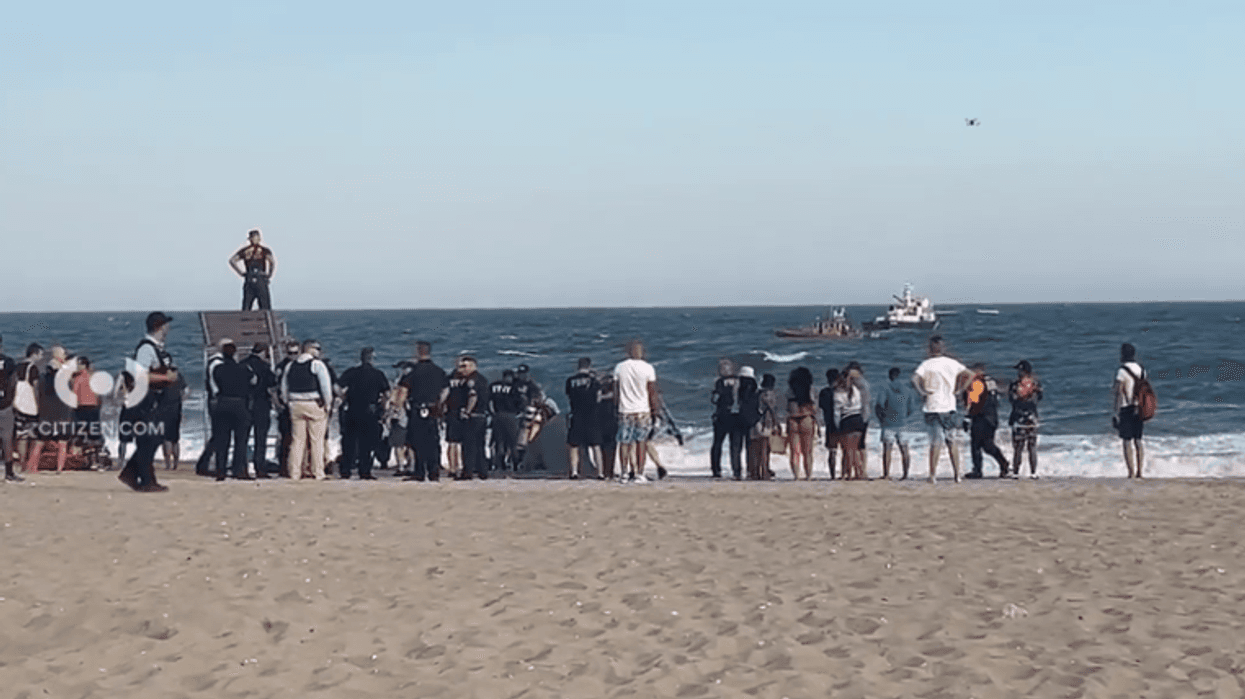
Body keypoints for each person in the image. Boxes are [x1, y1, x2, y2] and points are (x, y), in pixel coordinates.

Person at [116, 312, 179, 492]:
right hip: (144, 400)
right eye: (166, 324)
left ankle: (136, 475)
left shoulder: (157, 348)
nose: (168, 328)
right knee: (149, 439)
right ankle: (144, 479)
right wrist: (164, 377)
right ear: (160, 327)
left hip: (154, 399)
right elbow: (140, 375)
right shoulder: (146, 348)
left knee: (153, 439)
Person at [912, 335, 973, 483]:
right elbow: (970, 374)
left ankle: (933, 475)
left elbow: (914, 378)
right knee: (952, 441)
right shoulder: (952, 363)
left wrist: (922, 392)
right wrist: (960, 389)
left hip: (933, 406)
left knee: (936, 442)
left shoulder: (926, 364)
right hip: (949, 407)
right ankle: (957, 475)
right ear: (942, 347)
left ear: (931, 348)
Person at [281, 339, 333, 481]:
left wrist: (287, 402)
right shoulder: (317, 365)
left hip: (295, 404)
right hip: (313, 404)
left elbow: (284, 387)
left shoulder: (290, 366)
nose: (318, 351)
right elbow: (325, 386)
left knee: (297, 440)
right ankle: (318, 473)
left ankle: (295, 472)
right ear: (309, 349)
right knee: (316, 440)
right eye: (316, 348)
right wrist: (328, 404)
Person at [337, 347, 390, 480]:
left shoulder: (351, 372)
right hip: (370, 411)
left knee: (349, 442)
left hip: (353, 409)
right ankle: (364, 471)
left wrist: (343, 398)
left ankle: (346, 470)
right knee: (366, 443)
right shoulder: (378, 374)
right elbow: (387, 394)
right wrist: (383, 408)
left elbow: (336, 387)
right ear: (372, 359)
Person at [400, 341, 449, 482]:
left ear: (417, 352)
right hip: (433, 408)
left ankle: (420, 472)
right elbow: (446, 390)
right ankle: (434, 472)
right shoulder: (439, 371)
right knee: (433, 441)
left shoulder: (413, 372)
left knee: (417, 442)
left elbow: (403, 391)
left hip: (417, 409)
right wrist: (439, 402)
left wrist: (400, 407)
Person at [208, 339, 255, 480]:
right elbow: (254, 381)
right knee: (241, 440)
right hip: (240, 404)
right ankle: (239, 470)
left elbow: (214, 387)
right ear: (236, 354)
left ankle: (220, 471)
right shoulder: (245, 368)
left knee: (222, 440)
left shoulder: (218, 369)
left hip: (222, 403)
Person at [613, 340, 659, 482]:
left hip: (625, 410)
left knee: (624, 442)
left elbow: (616, 391)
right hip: (642, 410)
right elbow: (651, 391)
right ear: (642, 353)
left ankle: (625, 472)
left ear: (628, 353)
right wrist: (655, 410)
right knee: (641, 442)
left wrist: (616, 407)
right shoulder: (648, 368)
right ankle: (639, 472)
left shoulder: (620, 367)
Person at [28, 345, 72, 473]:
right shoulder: (64, 378)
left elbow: (38, 394)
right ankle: (59, 468)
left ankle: (32, 467)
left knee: (40, 441)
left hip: (46, 412)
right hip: (62, 412)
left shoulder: (43, 377)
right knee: (62, 442)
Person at [709, 358, 755, 480]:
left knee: (718, 443)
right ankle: (740, 470)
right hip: (737, 415)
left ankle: (717, 469)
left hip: (722, 415)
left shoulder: (719, 382)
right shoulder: (740, 380)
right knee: (735, 444)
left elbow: (715, 399)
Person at [964, 364, 1009, 479]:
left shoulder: (977, 383)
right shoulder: (991, 382)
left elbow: (974, 402)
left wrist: (967, 417)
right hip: (992, 418)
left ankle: (978, 470)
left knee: (976, 445)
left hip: (981, 418)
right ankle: (1003, 464)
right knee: (988, 445)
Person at [242, 343, 277, 478]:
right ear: (263, 352)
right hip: (262, 405)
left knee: (243, 439)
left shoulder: (243, 364)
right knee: (260, 438)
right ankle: (260, 467)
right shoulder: (265, 367)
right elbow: (272, 386)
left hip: (245, 404)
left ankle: (241, 466)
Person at [874, 367, 915, 480]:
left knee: (887, 449)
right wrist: (904, 417)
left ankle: (887, 474)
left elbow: (879, 405)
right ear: (899, 375)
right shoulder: (907, 390)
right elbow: (911, 408)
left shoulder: (885, 388)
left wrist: (881, 418)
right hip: (903, 423)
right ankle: (905, 474)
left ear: (889, 375)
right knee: (904, 449)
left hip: (888, 423)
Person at [1113, 343, 1147, 478]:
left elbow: (1118, 391)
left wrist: (1115, 411)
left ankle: (1131, 472)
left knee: (1127, 441)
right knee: (1138, 440)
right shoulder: (1141, 370)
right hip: (1139, 407)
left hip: (1126, 408)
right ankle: (1140, 471)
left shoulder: (1122, 371)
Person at [565, 358, 602, 479]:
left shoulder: (570, 381)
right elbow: (598, 398)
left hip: (576, 414)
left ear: (578, 366)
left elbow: (569, 395)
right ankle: (600, 473)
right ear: (589, 366)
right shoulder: (594, 381)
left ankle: (574, 472)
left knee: (574, 445)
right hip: (592, 415)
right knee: (596, 445)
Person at [455, 356, 490, 480]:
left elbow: (473, 396)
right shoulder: (482, 379)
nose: (461, 369)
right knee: (480, 445)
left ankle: (468, 472)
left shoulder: (471, 380)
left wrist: (467, 411)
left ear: (473, 366)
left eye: (465, 366)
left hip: (473, 417)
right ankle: (482, 471)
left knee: (468, 445)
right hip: (482, 416)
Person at [834, 362, 871, 480]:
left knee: (850, 450)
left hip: (849, 420)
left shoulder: (839, 393)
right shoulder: (857, 390)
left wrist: (837, 426)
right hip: (859, 418)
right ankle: (859, 473)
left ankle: (852, 473)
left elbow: (836, 412)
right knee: (856, 449)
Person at [1007, 360, 1043, 479]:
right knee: (1032, 446)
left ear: (1023, 371)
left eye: (1019, 370)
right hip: (1033, 418)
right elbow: (1039, 398)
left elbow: (1012, 400)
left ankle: (1016, 472)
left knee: (1018, 447)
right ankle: (1033, 473)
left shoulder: (1014, 385)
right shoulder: (1036, 384)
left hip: (1019, 418)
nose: (1018, 373)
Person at [12, 344, 43, 472]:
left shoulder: (17, 366)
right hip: (30, 406)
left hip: (17, 405)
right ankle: (30, 463)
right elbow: (35, 388)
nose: (41, 357)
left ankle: (22, 462)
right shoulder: (33, 368)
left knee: (21, 436)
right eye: (40, 354)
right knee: (35, 436)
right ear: (34, 354)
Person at [229, 228, 277, 311]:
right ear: (259, 238)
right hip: (261, 278)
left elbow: (232, 261)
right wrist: (269, 274)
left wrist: (241, 273)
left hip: (249, 278)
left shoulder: (245, 251)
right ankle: (264, 322)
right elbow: (272, 262)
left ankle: (245, 322)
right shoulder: (264, 250)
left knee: (247, 306)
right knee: (265, 306)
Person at [273, 339, 301, 476]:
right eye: (290, 353)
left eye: (295, 353)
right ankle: (283, 467)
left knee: (299, 437)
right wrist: (279, 405)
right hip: (285, 407)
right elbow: (275, 388)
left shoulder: (302, 366)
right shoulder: (281, 367)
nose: (293, 356)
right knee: (286, 438)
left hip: (298, 404)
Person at [786, 367, 817, 480]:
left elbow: (787, 407)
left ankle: (796, 476)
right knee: (808, 451)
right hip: (806, 418)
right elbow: (814, 407)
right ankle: (808, 475)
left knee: (794, 451)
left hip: (793, 419)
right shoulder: (810, 389)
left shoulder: (790, 389)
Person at [747, 372, 780, 480]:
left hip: (755, 422)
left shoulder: (757, 393)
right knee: (765, 449)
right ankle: (765, 472)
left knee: (755, 449)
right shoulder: (768, 394)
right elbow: (771, 410)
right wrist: (777, 424)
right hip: (764, 423)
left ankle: (755, 472)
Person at [489, 369, 523, 471]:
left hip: (497, 415)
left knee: (499, 442)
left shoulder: (493, 386)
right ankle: (515, 465)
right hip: (510, 416)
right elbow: (520, 403)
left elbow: (489, 401)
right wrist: (519, 413)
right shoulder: (514, 388)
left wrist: (493, 413)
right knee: (512, 442)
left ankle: (500, 464)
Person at [0, 336, 22, 481]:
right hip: (4, 405)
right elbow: (13, 383)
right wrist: (10, 401)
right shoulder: (8, 362)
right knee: (7, 439)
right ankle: (9, 473)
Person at [817, 368, 840, 479]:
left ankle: (833, 475)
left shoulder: (824, 392)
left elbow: (821, 407)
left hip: (830, 424)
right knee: (846, 450)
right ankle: (846, 472)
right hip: (843, 423)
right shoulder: (842, 392)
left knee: (832, 451)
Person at [596, 373, 619, 480]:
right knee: (612, 447)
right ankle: (610, 471)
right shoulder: (615, 397)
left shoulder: (599, 396)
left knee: (603, 447)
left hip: (600, 421)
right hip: (613, 421)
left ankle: (605, 471)